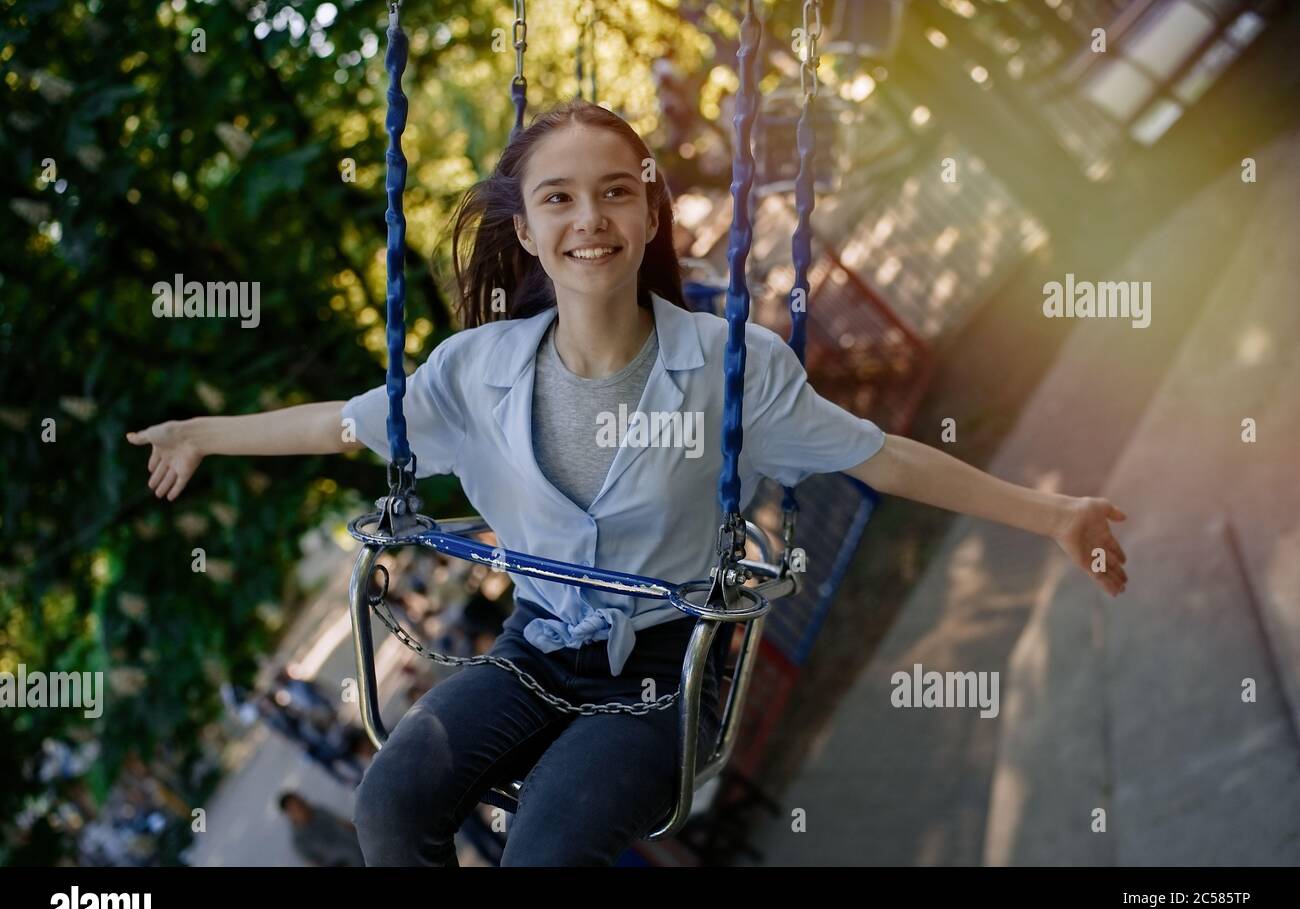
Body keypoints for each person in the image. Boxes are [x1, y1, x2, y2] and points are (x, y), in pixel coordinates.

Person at [125, 100, 1128, 866]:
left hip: (660, 676)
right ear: (524, 230)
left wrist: (1051, 513)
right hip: (531, 651)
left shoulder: (730, 364)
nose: (589, 217)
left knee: (546, 850)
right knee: (391, 800)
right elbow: (339, 424)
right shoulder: (474, 372)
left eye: (615, 189)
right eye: (557, 197)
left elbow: (883, 455)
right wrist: (204, 432)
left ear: (650, 210)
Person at [278, 792, 365, 867]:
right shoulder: (299, 841)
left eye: (300, 801)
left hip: (364, 847)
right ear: (290, 815)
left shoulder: (319, 812)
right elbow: (314, 864)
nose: (302, 806)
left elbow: (344, 824)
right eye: (296, 807)